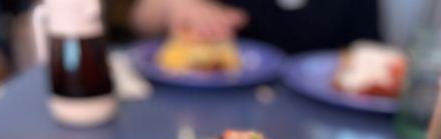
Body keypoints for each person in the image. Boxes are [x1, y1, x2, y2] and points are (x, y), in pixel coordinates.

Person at [130, 0, 379, 53]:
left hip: (323, 121)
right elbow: (140, 18)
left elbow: (369, 49)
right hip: (212, 107)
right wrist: (172, 5)